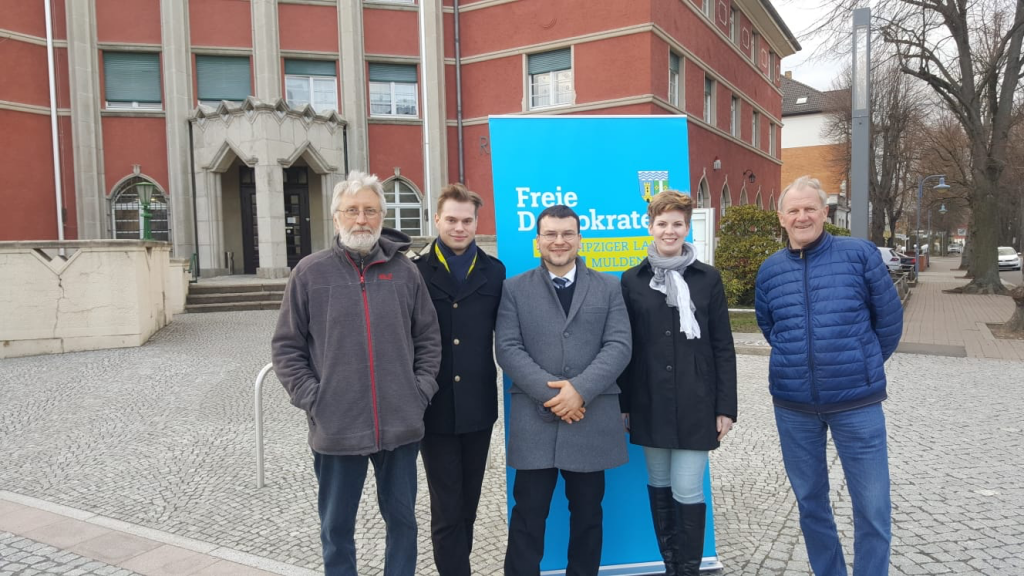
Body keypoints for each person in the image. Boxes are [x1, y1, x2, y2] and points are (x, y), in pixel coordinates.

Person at [271, 170, 441, 576]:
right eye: (352, 210)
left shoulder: (405, 272)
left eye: (370, 210)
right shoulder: (310, 273)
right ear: (336, 217)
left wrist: (418, 393)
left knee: (402, 522)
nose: (361, 219)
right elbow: (287, 347)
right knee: (336, 527)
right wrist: (315, 399)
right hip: (336, 425)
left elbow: (428, 339)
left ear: (381, 216)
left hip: (400, 424)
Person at [755, 176, 903, 576]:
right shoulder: (770, 270)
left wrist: (862, 363)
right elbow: (771, 328)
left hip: (857, 404)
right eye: (793, 210)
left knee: (872, 506)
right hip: (794, 407)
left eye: (810, 209)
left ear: (825, 213)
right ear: (781, 218)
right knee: (810, 503)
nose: (802, 216)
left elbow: (889, 321)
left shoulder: (859, 255)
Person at [496, 204, 632, 576]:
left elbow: (619, 345)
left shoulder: (609, 287)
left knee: (588, 516)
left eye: (567, 233)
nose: (559, 241)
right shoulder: (513, 289)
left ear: (579, 238)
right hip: (535, 421)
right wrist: (557, 396)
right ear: (538, 240)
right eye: (551, 234)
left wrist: (580, 391)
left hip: (591, 419)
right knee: (528, 515)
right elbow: (507, 348)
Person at [619, 191, 737, 576]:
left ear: (687, 228)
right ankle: (671, 567)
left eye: (677, 224)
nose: (669, 231)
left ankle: (687, 571)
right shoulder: (632, 280)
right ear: (650, 226)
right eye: (662, 223)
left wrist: (726, 407)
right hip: (649, 400)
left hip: (696, 402)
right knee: (659, 485)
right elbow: (625, 346)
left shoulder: (707, 278)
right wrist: (624, 404)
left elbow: (722, 346)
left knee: (687, 488)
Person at [412, 183, 506, 576]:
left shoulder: (494, 271)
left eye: (467, 221)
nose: (459, 227)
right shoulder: (416, 272)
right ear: (437, 220)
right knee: (447, 507)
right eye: (451, 219)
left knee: (468, 504)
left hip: (478, 408)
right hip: (434, 407)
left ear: (476, 222)